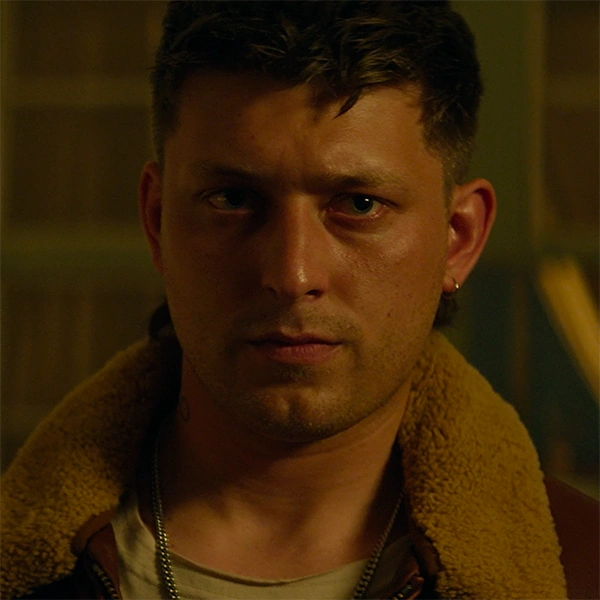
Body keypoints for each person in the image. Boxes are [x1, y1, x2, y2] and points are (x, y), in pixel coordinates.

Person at [1, 2, 597, 599]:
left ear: (458, 238)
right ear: (157, 221)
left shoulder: (583, 571)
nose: (292, 274)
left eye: (359, 205)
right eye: (233, 199)